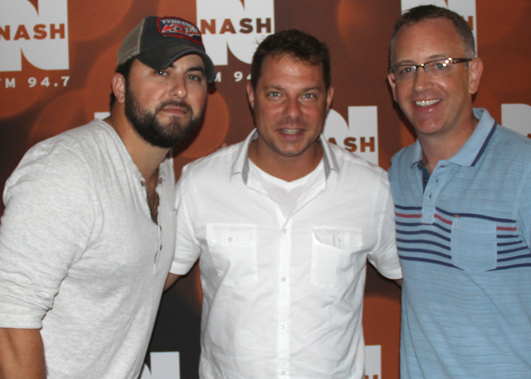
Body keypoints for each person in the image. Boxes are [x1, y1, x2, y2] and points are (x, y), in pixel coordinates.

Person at [165, 29, 402, 378]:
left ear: (328, 98)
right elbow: (146, 286)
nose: (292, 113)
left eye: (308, 95)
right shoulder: (201, 185)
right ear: (251, 95)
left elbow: (420, 284)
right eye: (275, 94)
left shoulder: (371, 189)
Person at [0, 15, 215, 379]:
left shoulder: (162, 166)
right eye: (161, 72)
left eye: (193, 76)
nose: (179, 89)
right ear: (119, 86)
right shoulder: (66, 170)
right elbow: (8, 318)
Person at [387, 5, 531, 379]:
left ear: (473, 74)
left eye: (439, 64)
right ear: (393, 85)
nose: (421, 84)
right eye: (407, 69)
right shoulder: (396, 176)